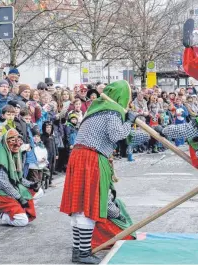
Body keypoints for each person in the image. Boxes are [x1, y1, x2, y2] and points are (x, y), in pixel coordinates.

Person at [60, 80, 148, 264]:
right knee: (88, 206)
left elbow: (124, 138)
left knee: (79, 207)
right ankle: (83, 253)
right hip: (91, 159)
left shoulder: (95, 109)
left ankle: (78, 251)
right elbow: (118, 135)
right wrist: (130, 121)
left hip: (79, 156)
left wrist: (153, 133)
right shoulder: (112, 111)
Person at [0, 129, 39, 226]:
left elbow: (18, 179)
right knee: (22, 221)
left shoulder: (13, 155)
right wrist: (19, 197)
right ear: (6, 142)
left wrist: (31, 184)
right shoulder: (0, 159)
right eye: (13, 141)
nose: (17, 145)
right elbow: (4, 184)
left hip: (11, 190)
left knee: (38, 192)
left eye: (18, 141)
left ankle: (17, 211)